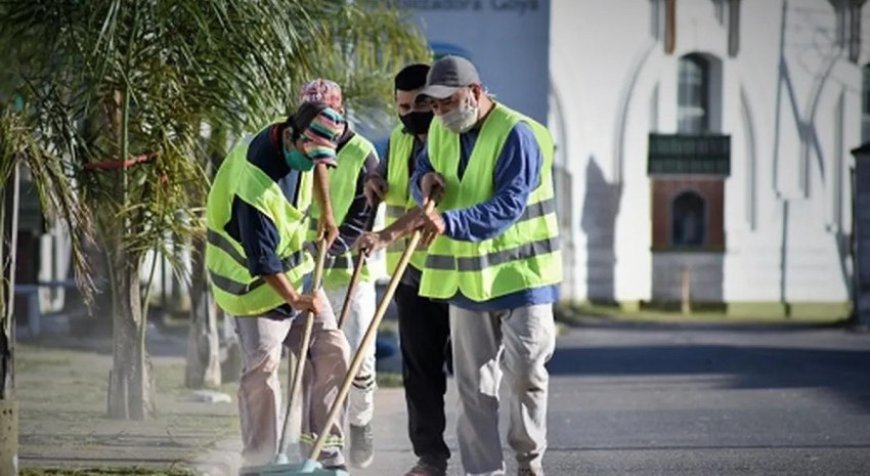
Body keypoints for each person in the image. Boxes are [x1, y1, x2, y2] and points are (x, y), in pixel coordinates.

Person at [359, 55, 562, 476]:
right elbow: (422, 171)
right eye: (433, 106)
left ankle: (529, 460)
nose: (439, 113)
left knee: (526, 374)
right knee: (474, 389)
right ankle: (482, 471)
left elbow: (508, 204)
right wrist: (423, 182)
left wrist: (447, 221)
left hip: (522, 277)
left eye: (447, 102)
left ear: (475, 92)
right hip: (468, 281)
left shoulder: (516, 134)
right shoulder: (438, 130)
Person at [205, 102, 350, 470]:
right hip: (251, 286)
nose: (315, 160)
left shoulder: (298, 138)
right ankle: (259, 463)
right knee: (263, 369)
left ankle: (323, 454)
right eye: (310, 151)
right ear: (290, 136)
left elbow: (317, 163)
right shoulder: (255, 185)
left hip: (296, 274)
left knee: (333, 348)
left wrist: (327, 213)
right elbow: (262, 260)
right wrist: (296, 300)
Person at [362, 63, 452, 476]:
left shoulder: (449, 137)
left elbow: (428, 205)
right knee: (419, 370)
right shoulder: (399, 138)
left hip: (454, 273)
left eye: (418, 103)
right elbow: (392, 178)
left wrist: (384, 237)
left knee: (469, 374)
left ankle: (485, 454)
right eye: (402, 106)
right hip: (411, 274)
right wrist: (376, 181)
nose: (410, 112)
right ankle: (429, 457)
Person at [297, 79, 380, 469]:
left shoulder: (364, 155)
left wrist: (328, 248)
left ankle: (361, 421)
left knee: (360, 364)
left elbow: (362, 219)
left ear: (339, 113)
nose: (314, 123)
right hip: (307, 274)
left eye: (321, 115)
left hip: (350, 274)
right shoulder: (302, 146)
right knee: (319, 362)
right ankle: (317, 444)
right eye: (308, 116)